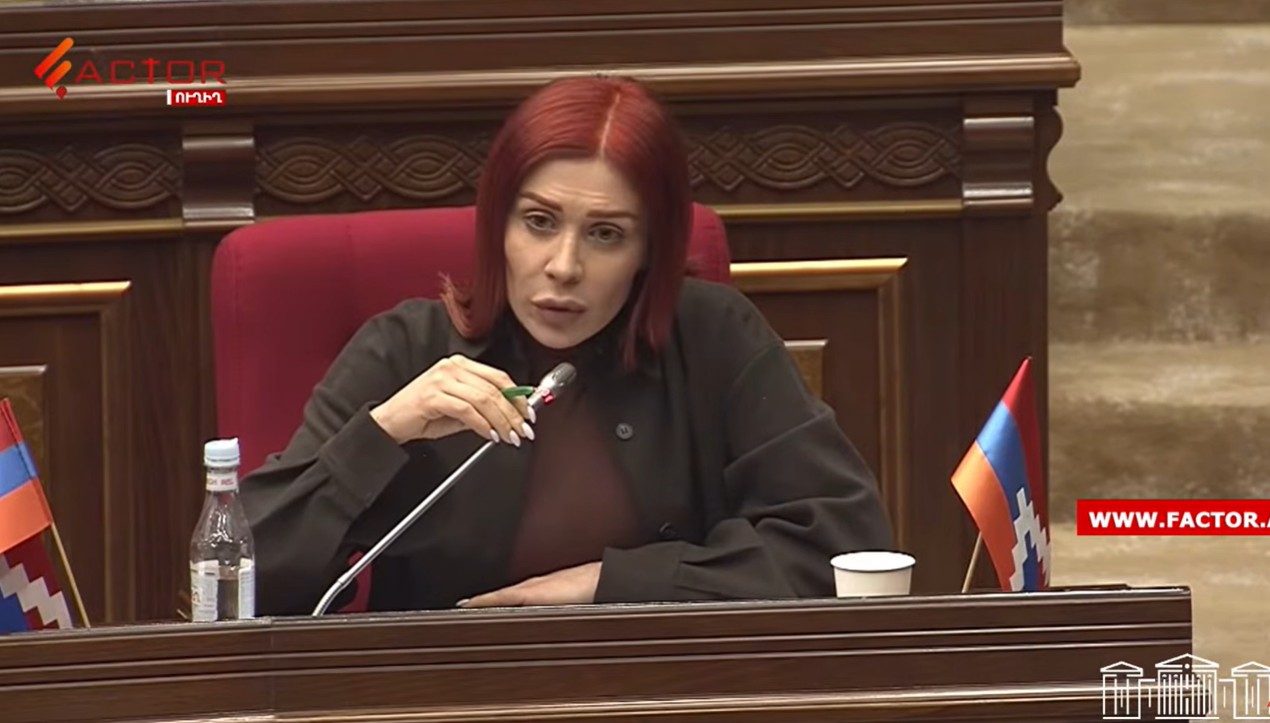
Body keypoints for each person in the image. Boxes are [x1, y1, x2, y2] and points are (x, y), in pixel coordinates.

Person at [240, 75, 893, 616]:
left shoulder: (713, 335)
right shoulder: (405, 350)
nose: (563, 266)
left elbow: (846, 551)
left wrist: (609, 584)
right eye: (539, 222)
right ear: (497, 226)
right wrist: (381, 435)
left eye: (606, 234)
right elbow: (242, 582)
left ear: (649, 249)